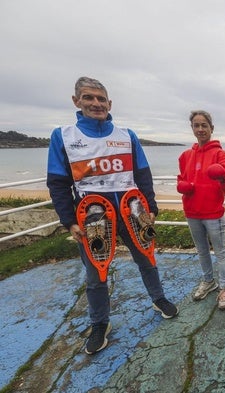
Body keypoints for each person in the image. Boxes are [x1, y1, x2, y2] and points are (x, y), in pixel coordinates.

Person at [47, 76, 178, 355]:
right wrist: (69, 221)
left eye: (100, 98)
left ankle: (159, 299)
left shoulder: (126, 136)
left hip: (133, 210)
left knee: (147, 258)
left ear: (109, 103)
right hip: (93, 217)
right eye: (88, 97)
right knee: (96, 275)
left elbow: (143, 173)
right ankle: (99, 324)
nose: (96, 103)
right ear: (76, 101)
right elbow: (57, 183)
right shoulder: (64, 136)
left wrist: (151, 208)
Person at [177, 110, 225, 310]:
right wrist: (182, 186)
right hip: (192, 212)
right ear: (192, 128)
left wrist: (221, 178)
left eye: (204, 125)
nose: (200, 129)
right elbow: (181, 179)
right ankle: (208, 281)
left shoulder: (220, 154)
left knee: (220, 252)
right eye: (196, 125)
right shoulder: (186, 155)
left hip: (213, 213)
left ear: (212, 128)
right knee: (202, 251)